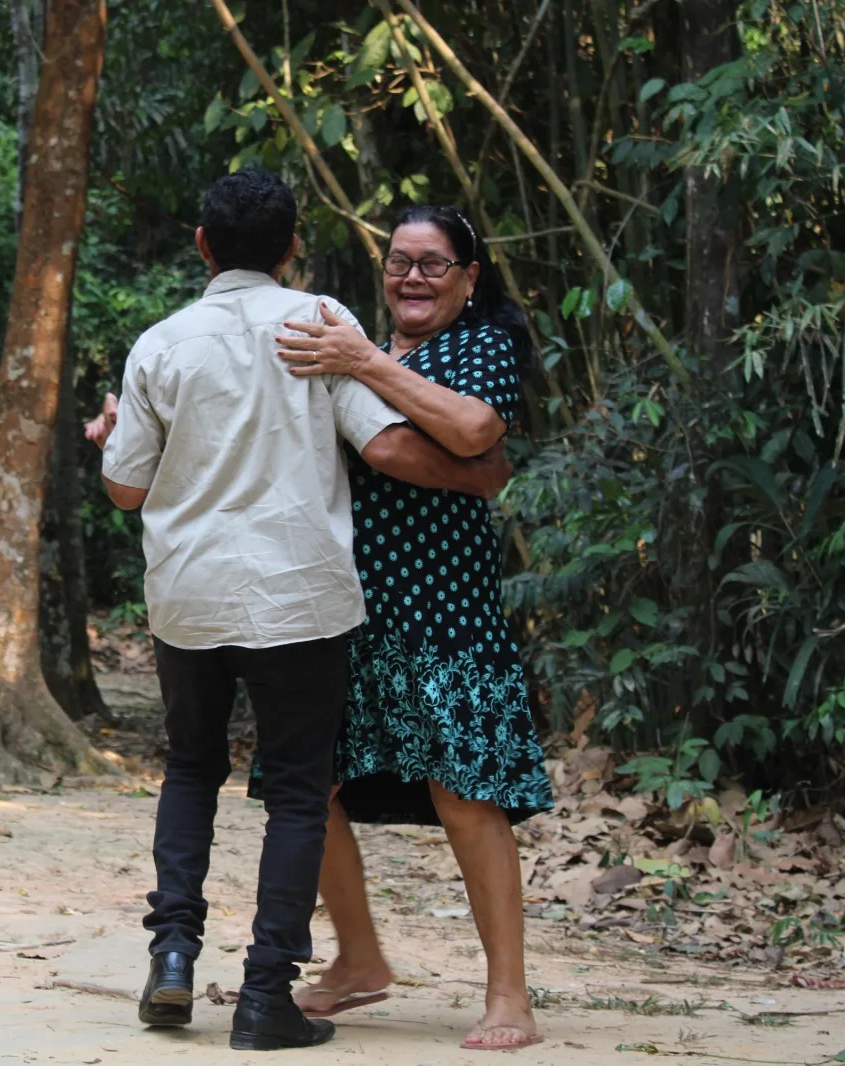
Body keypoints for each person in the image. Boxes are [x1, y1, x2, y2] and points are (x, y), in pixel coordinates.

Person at [85, 171, 511, 1052]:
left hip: (192, 600)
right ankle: (265, 999)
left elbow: (126, 489)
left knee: (192, 771)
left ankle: (171, 960)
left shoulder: (160, 344)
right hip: (302, 600)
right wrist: (478, 476)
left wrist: (127, 441)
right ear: (291, 247)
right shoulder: (320, 325)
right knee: (296, 797)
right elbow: (388, 445)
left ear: (202, 243)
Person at [265, 203, 554, 1051]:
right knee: (305, 787)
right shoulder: (362, 352)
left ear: (470, 277)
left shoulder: (479, 348)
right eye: (399, 262)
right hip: (343, 608)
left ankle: (510, 996)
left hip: (443, 609)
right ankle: (359, 962)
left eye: (433, 264)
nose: (412, 278)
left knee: (466, 796)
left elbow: (472, 430)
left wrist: (361, 362)